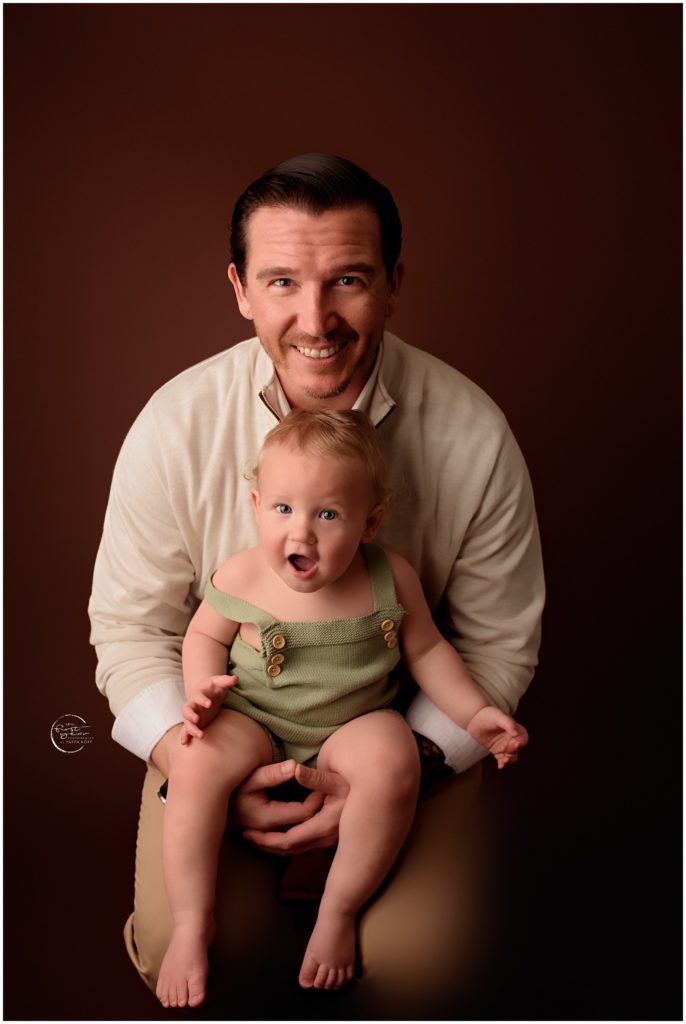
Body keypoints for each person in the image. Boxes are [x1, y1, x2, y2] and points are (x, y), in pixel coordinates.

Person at [89, 153, 544, 1013]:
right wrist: (188, 752)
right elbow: (131, 626)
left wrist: (396, 768)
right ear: (239, 288)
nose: (315, 318)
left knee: (425, 965)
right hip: (235, 736)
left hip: (391, 741)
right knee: (205, 956)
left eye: (347, 280)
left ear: (393, 284)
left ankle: (354, 903)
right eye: (282, 281)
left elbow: (491, 641)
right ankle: (198, 911)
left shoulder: (472, 432)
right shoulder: (175, 423)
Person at [156, 408, 529, 1008]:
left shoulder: (390, 578)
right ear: (256, 505)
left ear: (370, 521)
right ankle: (191, 922)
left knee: (392, 758)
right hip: (255, 717)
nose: (300, 533)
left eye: (327, 515)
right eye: (282, 509)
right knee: (194, 763)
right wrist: (201, 691)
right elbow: (202, 636)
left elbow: (430, 650)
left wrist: (476, 713)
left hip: (351, 724)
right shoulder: (244, 573)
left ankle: (338, 909)